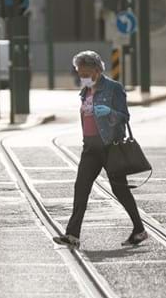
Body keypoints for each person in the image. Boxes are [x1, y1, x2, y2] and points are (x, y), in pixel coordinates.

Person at [53, 51, 148, 250]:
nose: (82, 77)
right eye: (79, 73)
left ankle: (139, 229)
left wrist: (110, 113)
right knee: (81, 188)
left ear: (97, 70)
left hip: (109, 147)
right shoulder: (85, 91)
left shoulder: (113, 88)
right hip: (90, 148)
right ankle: (72, 235)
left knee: (120, 190)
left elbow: (124, 116)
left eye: (85, 72)